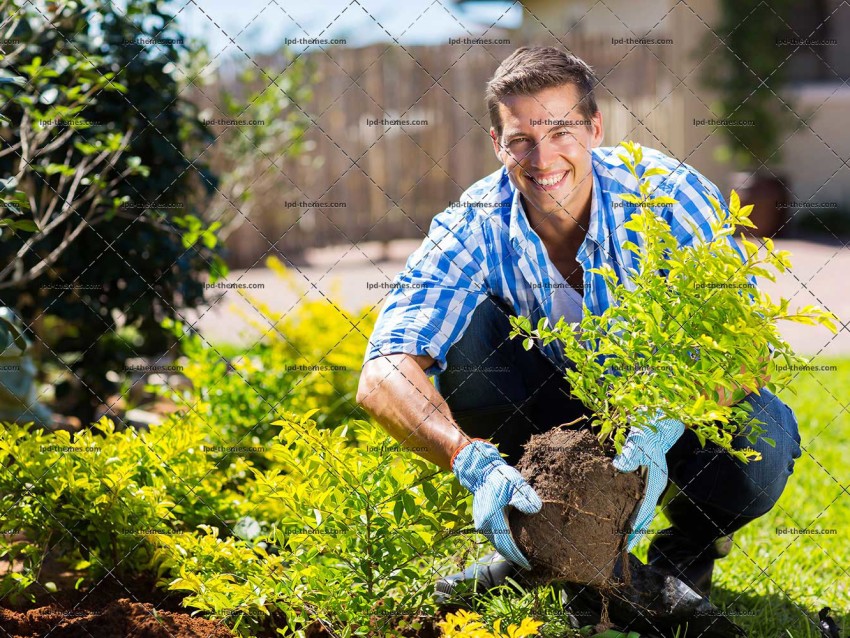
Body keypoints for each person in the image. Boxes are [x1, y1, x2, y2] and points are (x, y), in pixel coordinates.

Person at [355, 46, 801, 600]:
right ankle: (536, 534)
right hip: (546, 424)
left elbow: (747, 344)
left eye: (561, 131)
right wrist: (465, 456)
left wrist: (666, 420)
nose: (542, 160)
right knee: (462, 341)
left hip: (665, 410)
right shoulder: (471, 224)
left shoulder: (664, 195)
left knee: (765, 435)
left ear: (594, 127)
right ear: (498, 145)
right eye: (521, 140)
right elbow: (382, 373)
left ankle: (687, 548)